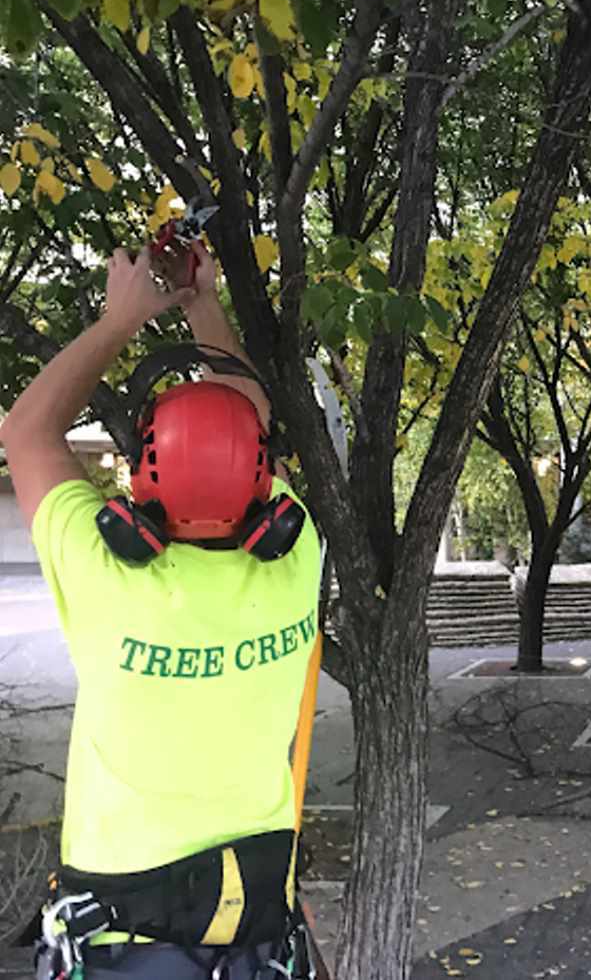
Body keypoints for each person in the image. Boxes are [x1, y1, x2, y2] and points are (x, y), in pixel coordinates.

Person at [0, 243, 321, 979]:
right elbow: (256, 423)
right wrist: (202, 303)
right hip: (258, 921)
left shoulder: (107, 574)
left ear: (141, 481)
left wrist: (122, 320)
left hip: (124, 938)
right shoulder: (297, 560)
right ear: (262, 477)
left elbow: (23, 431)